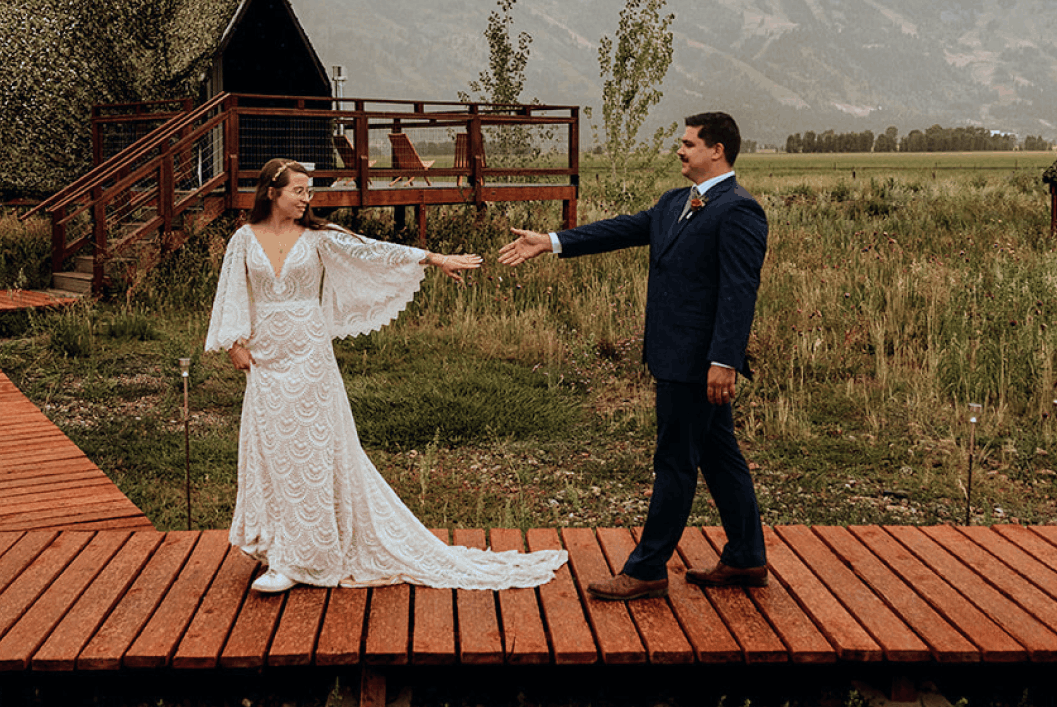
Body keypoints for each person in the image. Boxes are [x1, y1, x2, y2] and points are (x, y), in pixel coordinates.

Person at [206, 158, 569, 593]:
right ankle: (277, 545)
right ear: (271, 192)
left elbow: (373, 250)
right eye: (299, 191)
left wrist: (432, 258)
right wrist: (234, 343)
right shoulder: (243, 240)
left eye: (310, 191)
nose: (307, 199)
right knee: (274, 448)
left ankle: (305, 556)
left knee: (316, 449)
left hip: (309, 355)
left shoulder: (319, 237)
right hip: (267, 356)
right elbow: (230, 291)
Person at [498, 112, 768, 600]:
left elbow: (738, 292)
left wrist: (723, 360)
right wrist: (552, 242)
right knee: (719, 456)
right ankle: (747, 558)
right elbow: (620, 230)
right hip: (674, 355)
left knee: (675, 461)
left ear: (718, 151)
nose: (680, 151)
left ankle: (647, 570)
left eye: (688, 144)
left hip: (698, 363)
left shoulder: (739, 211)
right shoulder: (675, 203)